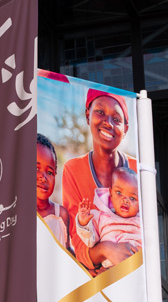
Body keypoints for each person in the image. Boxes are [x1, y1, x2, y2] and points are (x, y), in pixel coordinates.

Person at [62, 88, 137, 273]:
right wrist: (106, 249)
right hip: (96, 283)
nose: (108, 123)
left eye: (117, 119)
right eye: (100, 112)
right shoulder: (73, 170)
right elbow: (79, 244)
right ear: (88, 116)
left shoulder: (138, 169)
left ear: (125, 129)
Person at [76, 166, 142, 268]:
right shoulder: (102, 217)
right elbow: (90, 242)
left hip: (136, 267)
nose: (125, 200)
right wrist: (84, 223)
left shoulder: (141, 221)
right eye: (119, 193)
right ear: (111, 194)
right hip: (110, 270)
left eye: (132, 198)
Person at [36, 133, 69, 248]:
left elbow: (66, 251)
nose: (43, 177)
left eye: (50, 172)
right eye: (36, 168)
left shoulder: (61, 214)